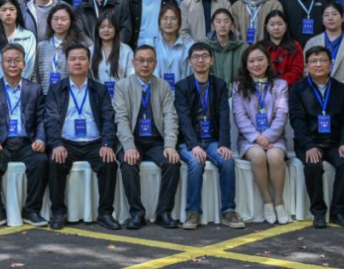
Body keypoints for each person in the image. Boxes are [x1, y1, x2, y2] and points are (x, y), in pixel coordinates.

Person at [44, 44, 119, 230]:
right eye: (73, 59)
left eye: (82, 58)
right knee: (55, 162)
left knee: (109, 162)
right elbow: (51, 120)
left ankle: (105, 213)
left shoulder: (100, 89)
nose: (77, 62)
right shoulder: (56, 89)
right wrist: (56, 144)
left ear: (89, 62)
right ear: (67, 63)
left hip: (95, 143)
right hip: (66, 143)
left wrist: (107, 144)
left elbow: (109, 118)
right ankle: (58, 212)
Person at [173, 43, 244, 230]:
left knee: (227, 161)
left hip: (213, 140)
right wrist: (194, 145)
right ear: (190, 62)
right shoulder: (181, 86)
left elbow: (224, 115)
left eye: (205, 56)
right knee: (196, 162)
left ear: (211, 61)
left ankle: (228, 211)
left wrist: (224, 144)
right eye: (196, 57)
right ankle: (193, 212)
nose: (201, 60)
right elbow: (183, 119)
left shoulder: (219, 85)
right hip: (189, 142)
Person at [0, 43, 49, 228]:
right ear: (1, 64)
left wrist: (40, 139)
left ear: (24, 64)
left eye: (17, 60)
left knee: (41, 161)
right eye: (8, 60)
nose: (12, 64)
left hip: (27, 142)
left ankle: (31, 210)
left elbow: (41, 119)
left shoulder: (34, 89)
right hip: (2, 143)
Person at [114, 45, 181, 230]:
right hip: (133, 140)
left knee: (173, 162)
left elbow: (170, 116)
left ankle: (163, 213)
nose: (145, 64)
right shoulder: (122, 86)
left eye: (149, 61)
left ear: (155, 63)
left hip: (156, 141)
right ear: (133, 62)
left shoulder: (163, 86)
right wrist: (128, 146)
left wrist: (170, 144)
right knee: (127, 163)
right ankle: (137, 213)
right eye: (141, 60)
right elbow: (121, 118)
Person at [290, 46, 344, 229]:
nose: (318, 65)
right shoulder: (298, 89)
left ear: (330, 64)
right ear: (306, 65)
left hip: (334, 142)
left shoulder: (341, 89)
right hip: (309, 141)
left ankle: (337, 212)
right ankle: (318, 212)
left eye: (323, 60)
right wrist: (309, 145)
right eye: (313, 61)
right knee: (313, 165)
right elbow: (297, 121)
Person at [232, 45, 290, 225]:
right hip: (249, 139)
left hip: (275, 138)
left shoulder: (280, 85)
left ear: (267, 62)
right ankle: (267, 201)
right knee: (257, 156)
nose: (256, 64)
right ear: (246, 65)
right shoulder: (238, 86)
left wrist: (269, 137)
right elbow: (240, 117)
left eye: (260, 60)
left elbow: (281, 114)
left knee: (275, 156)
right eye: (251, 61)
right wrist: (257, 138)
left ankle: (279, 202)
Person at [304, 3, 344, 87]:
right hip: (317, 90)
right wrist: (318, 85)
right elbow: (305, 67)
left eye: (334, 14)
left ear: (342, 17)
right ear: (322, 20)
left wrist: (341, 87)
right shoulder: (312, 42)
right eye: (326, 15)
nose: (330, 18)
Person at [35, 4, 91, 89]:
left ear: (71, 21)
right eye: (55, 19)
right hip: (45, 94)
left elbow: (85, 73)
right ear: (50, 21)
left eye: (63, 19)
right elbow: (35, 75)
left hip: (70, 93)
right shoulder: (41, 46)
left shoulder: (79, 46)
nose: (59, 23)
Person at [0, 0, 38, 83]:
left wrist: (18, 86)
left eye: (12, 9)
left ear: (17, 13)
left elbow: (28, 67)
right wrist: (2, 87)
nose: (8, 13)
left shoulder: (28, 37)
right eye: (4, 10)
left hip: (22, 87)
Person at [90, 15, 134, 97]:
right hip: (97, 98)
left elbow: (132, 77)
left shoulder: (126, 50)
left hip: (121, 97)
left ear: (116, 29)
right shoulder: (90, 51)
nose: (106, 30)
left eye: (110, 26)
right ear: (97, 30)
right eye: (102, 27)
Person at [154, 4, 194, 89]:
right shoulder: (153, 45)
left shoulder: (189, 46)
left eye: (173, 18)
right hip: (157, 92)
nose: (169, 22)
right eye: (165, 18)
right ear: (159, 22)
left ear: (179, 22)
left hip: (183, 92)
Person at [263, 11, 304, 86]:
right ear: (266, 28)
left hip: (289, 88)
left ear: (286, 26)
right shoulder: (260, 47)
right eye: (272, 24)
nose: (276, 28)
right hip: (264, 88)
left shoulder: (295, 46)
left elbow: (297, 72)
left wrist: (280, 84)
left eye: (280, 24)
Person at [206, 9, 246, 87]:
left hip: (236, 91)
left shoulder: (242, 47)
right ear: (213, 24)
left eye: (226, 21)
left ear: (232, 24)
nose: (222, 25)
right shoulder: (204, 45)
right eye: (218, 21)